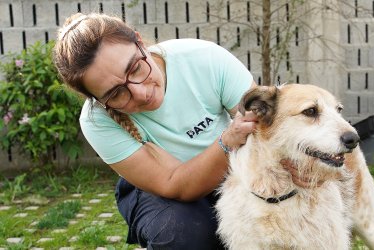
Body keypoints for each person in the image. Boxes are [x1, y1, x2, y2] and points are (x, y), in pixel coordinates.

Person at [53, 12, 312, 250]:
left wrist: (296, 166)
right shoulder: (96, 121)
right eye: (116, 93)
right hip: (165, 191)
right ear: (98, 100)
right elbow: (174, 185)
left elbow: (263, 129)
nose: (141, 93)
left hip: (236, 168)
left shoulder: (204, 58)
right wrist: (226, 142)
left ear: (141, 43)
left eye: (135, 68)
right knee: (182, 234)